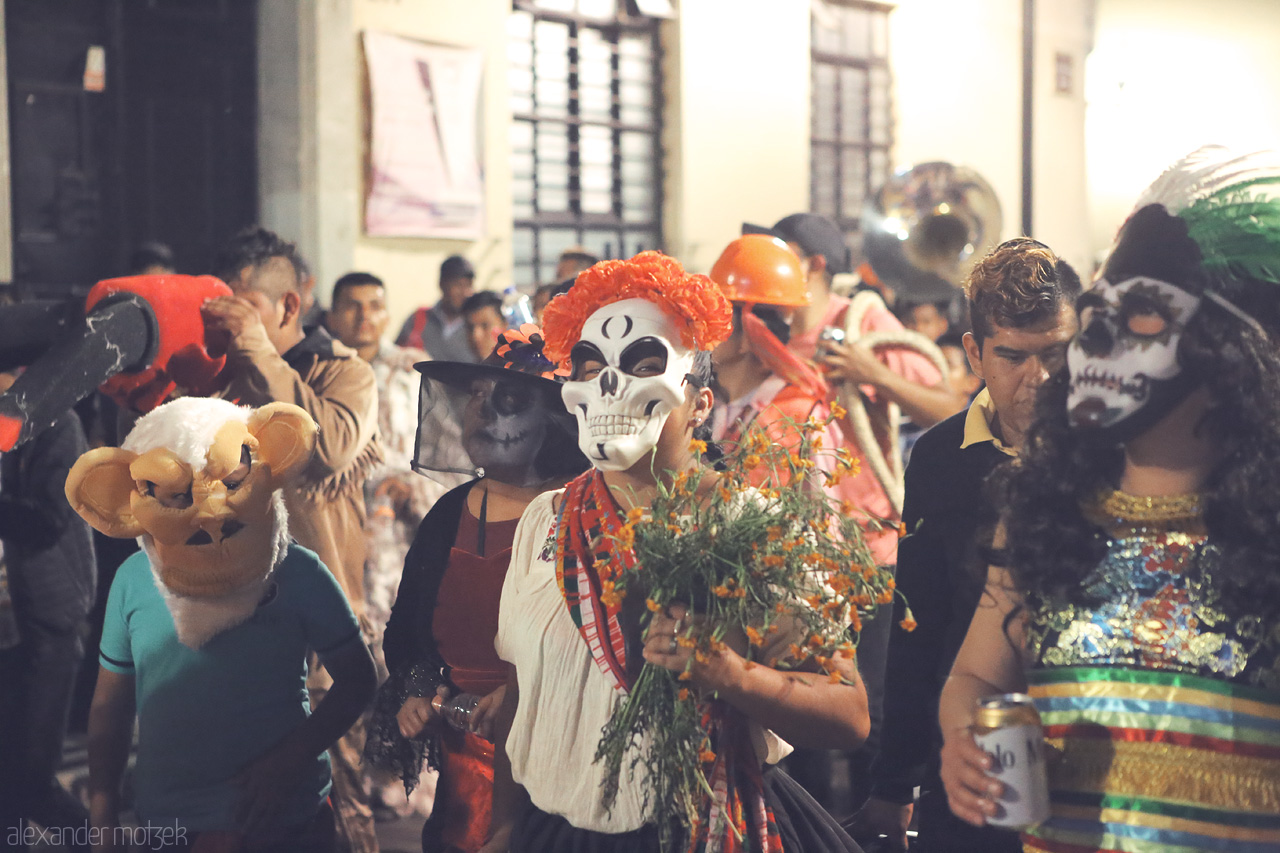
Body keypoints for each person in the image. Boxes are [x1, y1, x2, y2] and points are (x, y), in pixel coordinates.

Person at [939, 147, 1280, 853]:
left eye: (1144, 314)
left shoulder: (1266, 532)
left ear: (1228, 354)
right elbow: (974, 676)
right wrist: (964, 736)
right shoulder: (1044, 513)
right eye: (1097, 312)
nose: (1097, 338)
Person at [488, 251, 869, 852]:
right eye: (589, 366)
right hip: (553, 833)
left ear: (700, 403)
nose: (608, 386)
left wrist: (729, 673)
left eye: (643, 365)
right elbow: (523, 692)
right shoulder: (546, 521)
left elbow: (849, 713)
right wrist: (504, 827)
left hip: (702, 828)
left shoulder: (752, 527)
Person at [76, 398, 376, 852]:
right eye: (179, 495)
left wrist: (289, 760)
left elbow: (358, 678)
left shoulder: (295, 570)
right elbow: (109, 706)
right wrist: (102, 810)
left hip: (285, 818)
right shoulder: (133, 581)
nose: (211, 512)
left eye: (232, 483)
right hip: (170, 821)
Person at [860, 239, 1080, 852]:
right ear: (975, 354)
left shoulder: (1115, 452)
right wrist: (895, 778)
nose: (1039, 379)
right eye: (1013, 356)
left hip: (1094, 748)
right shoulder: (939, 457)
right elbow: (918, 621)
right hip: (969, 749)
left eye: (1055, 354)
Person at [366, 326, 588, 852]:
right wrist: (421, 689)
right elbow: (409, 627)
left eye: (507, 399)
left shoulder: (582, 511)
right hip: (464, 756)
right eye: (476, 396)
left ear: (555, 418)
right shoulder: (450, 511)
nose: (481, 412)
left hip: (554, 758)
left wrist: (520, 694)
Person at [203, 226, 383, 853]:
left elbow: (328, 449)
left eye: (245, 306)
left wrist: (259, 352)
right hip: (233, 620)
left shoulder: (346, 373)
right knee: (243, 810)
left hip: (320, 634)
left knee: (336, 806)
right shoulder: (220, 374)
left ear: (287, 305)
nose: (232, 321)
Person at [324, 271, 446, 662]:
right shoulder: (317, 371)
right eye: (352, 306)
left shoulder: (415, 369)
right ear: (332, 316)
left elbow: (450, 451)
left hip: (406, 522)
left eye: (374, 306)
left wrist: (417, 486)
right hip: (339, 518)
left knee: (409, 630)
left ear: (388, 314)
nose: (365, 316)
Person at [0, 372, 96, 850]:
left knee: (32, 781)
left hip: (49, 619)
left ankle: (101, 843)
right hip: (11, 622)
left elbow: (48, 518)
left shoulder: (56, 425)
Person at [398, 255, 478, 363]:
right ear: (441, 284)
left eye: (469, 286)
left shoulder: (477, 327)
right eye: (458, 285)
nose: (465, 292)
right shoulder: (418, 319)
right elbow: (396, 354)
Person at [461, 291, 508, 363]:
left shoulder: (522, 367)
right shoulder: (464, 369)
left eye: (485, 325)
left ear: (504, 325)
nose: (476, 336)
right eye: (470, 328)